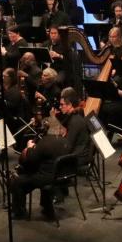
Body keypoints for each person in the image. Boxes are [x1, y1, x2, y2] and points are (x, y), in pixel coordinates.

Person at [9, 89, 90, 220]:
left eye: (62, 104)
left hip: (67, 165)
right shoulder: (74, 118)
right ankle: (46, 206)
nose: (60, 106)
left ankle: (20, 209)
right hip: (65, 162)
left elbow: (66, 146)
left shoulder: (75, 122)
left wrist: (36, 149)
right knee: (39, 162)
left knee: (28, 170)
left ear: (70, 105)